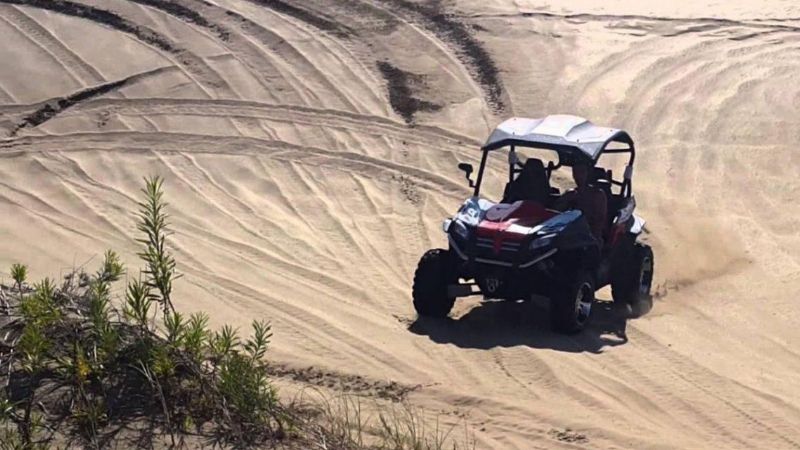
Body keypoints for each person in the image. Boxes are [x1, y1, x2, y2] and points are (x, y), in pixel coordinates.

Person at [554, 161, 608, 244]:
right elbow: (555, 211)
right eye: (575, 172)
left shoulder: (597, 194)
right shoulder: (570, 193)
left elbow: (600, 221)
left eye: (582, 172)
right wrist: (566, 201)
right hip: (568, 232)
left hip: (590, 236)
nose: (578, 176)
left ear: (588, 173)